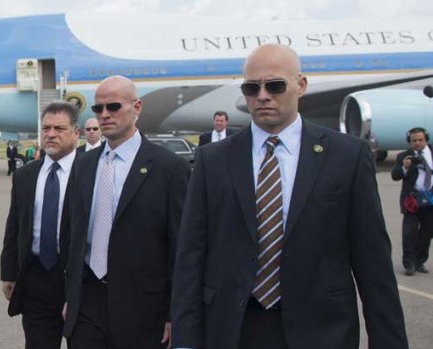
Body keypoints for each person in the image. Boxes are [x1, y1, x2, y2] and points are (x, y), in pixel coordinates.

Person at [171, 44, 408, 349]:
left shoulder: (346, 156)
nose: (263, 95)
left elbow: (373, 263)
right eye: (251, 87)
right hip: (232, 330)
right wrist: (186, 341)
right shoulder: (212, 160)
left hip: (321, 331)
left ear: (301, 86)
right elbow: (190, 257)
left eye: (275, 85)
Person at [63, 75, 190, 349]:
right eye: (98, 109)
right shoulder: (83, 166)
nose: (104, 115)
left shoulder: (169, 169)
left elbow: (180, 248)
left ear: (137, 108)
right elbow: (73, 237)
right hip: (88, 303)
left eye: (114, 107)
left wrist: (173, 313)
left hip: (143, 309)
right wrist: (70, 299)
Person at [0, 101, 79, 349]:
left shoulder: (90, 170)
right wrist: (9, 273)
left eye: (59, 128)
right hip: (37, 277)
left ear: (76, 133)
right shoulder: (25, 175)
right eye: (45, 128)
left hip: (78, 278)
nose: (51, 134)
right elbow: (14, 226)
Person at [391, 127, 433, 275]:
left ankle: (420, 261)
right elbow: (395, 175)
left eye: (420, 140)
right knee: (409, 233)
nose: (417, 143)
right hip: (412, 201)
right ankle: (409, 264)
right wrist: (404, 167)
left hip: (430, 199)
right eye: (414, 141)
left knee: (427, 233)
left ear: (426, 139)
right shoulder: (404, 156)